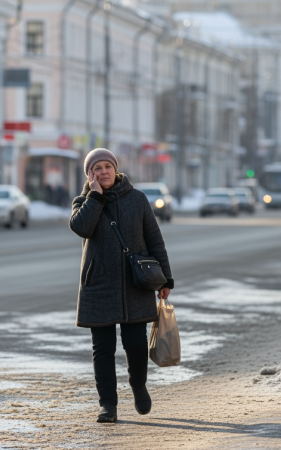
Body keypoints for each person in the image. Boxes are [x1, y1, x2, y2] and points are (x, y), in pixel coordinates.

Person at [69, 148, 175, 423]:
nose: (103, 171)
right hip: (98, 284)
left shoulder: (137, 199)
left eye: (107, 166)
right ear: (89, 174)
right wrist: (95, 197)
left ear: (115, 169)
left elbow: (155, 240)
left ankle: (138, 385)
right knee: (102, 349)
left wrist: (165, 279)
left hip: (135, 283)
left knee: (136, 344)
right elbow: (82, 228)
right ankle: (108, 405)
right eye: (97, 168)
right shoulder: (82, 201)